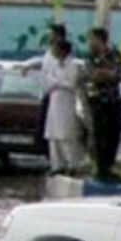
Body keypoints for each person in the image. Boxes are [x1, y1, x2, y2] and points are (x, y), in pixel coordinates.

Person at [84, 27, 121, 181]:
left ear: (100, 39)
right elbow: (92, 76)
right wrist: (107, 73)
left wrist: (104, 73)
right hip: (97, 100)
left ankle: (109, 166)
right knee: (99, 134)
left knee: (113, 133)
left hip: (113, 99)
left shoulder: (114, 54)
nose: (90, 42)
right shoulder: (90, 57)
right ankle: (100, 168)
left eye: (92, 39)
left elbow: (118, 75)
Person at [42, 37, 82, 176]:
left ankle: (71, 165)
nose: (53, 51)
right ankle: (56, 166)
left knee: (66, 135)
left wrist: (57, 82)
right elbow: (47, 82)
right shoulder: (53, 65)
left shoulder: (72, 65)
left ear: (63, 51)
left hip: (66, 102)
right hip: (54, 102)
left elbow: (71, 84)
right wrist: (57, 82)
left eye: (56, 48)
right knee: (53, 136)